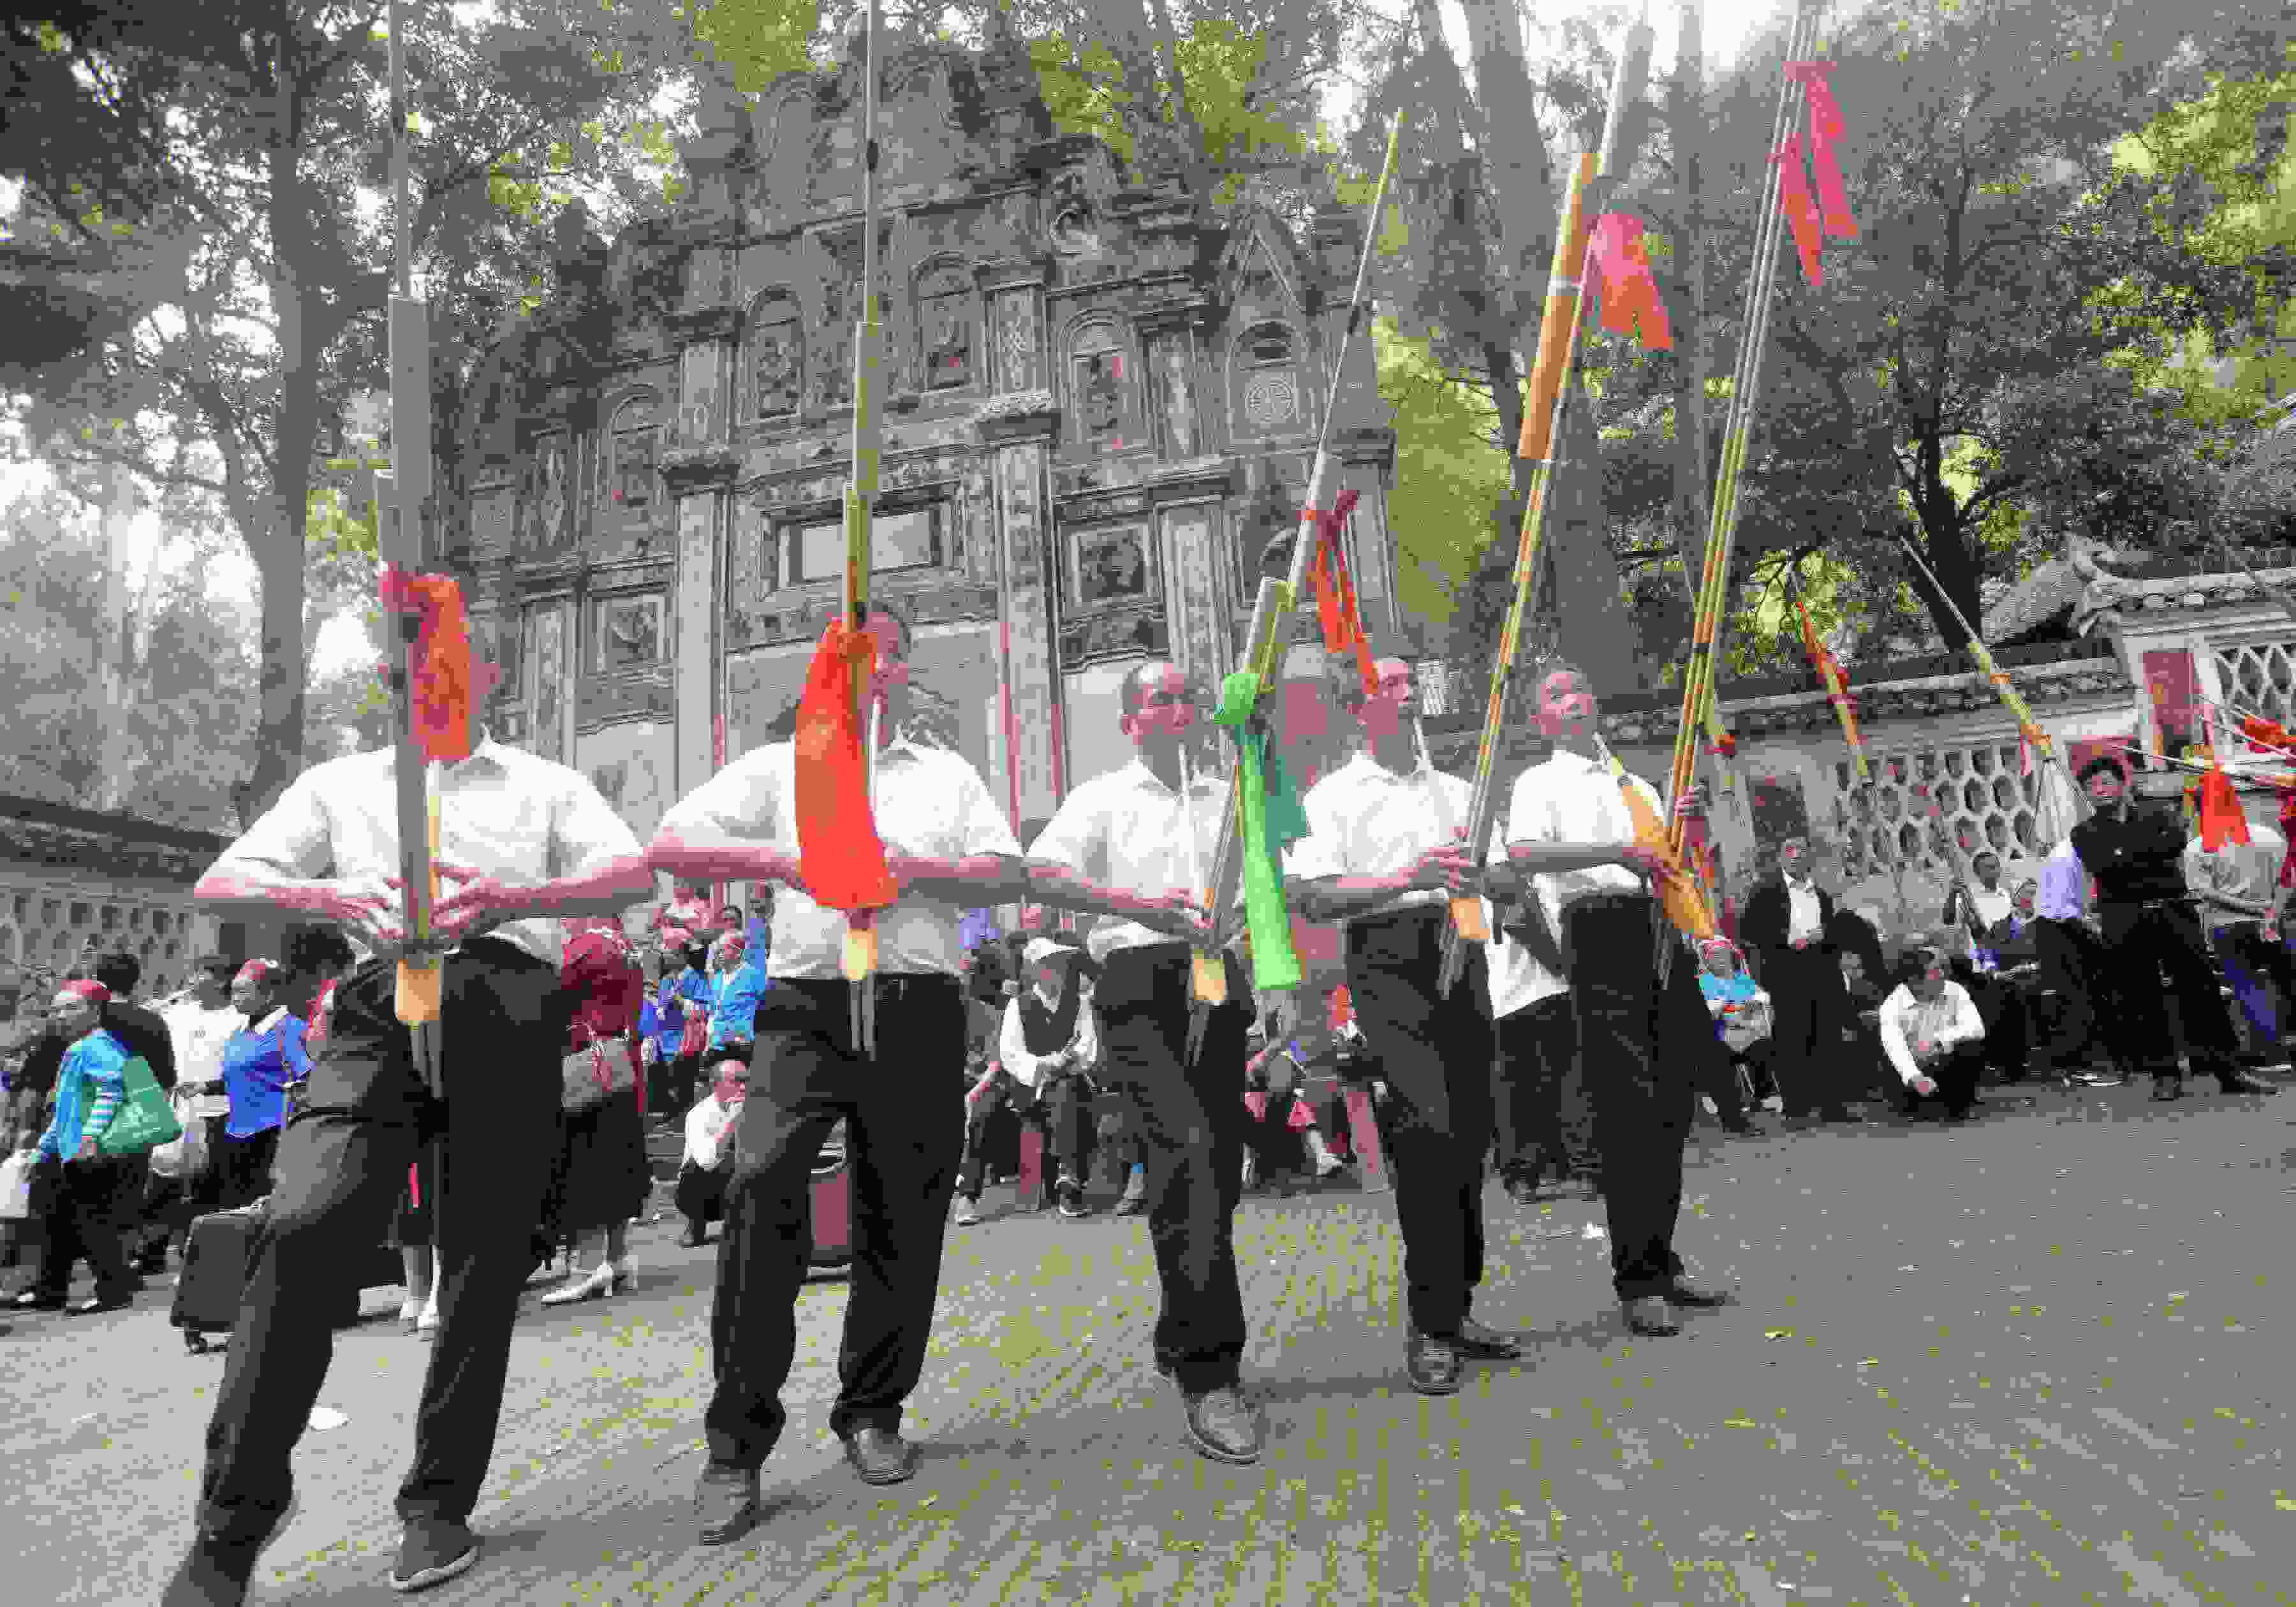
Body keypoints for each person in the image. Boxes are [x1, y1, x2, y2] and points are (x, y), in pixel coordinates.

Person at [161, 620, 653, 1606]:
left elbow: (632, 877)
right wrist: (343, 897)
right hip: (374, 1010)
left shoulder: (545, 785)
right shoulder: (341, 785)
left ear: (491, 671)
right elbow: (226, 880)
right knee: (301, 1223)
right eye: (406, 663)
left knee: (483, 1264)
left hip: (508, 1004)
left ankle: (439, 1502)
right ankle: (235, 1515)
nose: (424, 676)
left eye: (449, 657)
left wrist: (510, 898)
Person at [649, 601, 1025, 1544]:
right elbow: (671, 844)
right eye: (848, 651)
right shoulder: (780, 767)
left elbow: (1004, 873)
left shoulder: (944, 775)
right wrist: (785, 859)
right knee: (760, 1182)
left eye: (884, 653)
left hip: (918, 1005)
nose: (867, 667)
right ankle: (736, 1444)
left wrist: (916, 867)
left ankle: (873, 1408)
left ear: (900, 669)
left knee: (905, 1214)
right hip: (805, 1008)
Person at [1026, 657, 1269, 1453]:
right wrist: (1138, 905)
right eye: (1161, 699)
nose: (1179, 707)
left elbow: (1265, 883)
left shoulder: (1227, 796)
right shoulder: (1102, 797)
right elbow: (1043, 875)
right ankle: (1211, 1373)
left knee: (1209, 1170)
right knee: (1187, 1151)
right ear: (1131, 721)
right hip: (1137, 982)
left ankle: (1179, 1322)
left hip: (1216, 977)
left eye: (1186, 696)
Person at [1283, 655, 1526, 1396]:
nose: (1407, 691)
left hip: (1462, 950)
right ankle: (1430, 1323)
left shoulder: (1458, 791)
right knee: (1428, 1130)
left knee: (1471, 1131)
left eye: (1410, 681)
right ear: (1358, 707)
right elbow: (1314, 895)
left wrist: (1479, 874)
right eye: (1389, 684)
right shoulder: (1331, 797)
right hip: (1388, 959)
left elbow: (1509, 878)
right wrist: (1407, 878)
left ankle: (1458, 1303)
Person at [1483, 661, 1733, 1340]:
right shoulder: (1540, 781)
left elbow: (1670, 867)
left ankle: (1663, 1257)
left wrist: (1686, 834)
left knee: (1673, 1102)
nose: (1572, 700)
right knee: (1627, 1108)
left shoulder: (1637, 785)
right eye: (1556, 695)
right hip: (1598, 931)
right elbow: (1525, 852)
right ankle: (1637, 1280)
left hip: (1658, 932)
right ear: (1540, 719)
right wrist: (1616, 851)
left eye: (1578, 688)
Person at [2067, 755, 2276, 1101]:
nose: (2099, 790)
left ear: (2123, 784)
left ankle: (2229, 1070)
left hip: (2174, 912)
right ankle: (2164, 1073)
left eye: (2105, 782)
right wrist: (2143, 853)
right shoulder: (2084, 833)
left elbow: (2172, 845)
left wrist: (2126, 854)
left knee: (2201, 990)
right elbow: (2106, 864)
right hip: (2125, 919)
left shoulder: (2159, 814)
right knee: (2143, 996)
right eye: (2091, 786)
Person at [539, 920, 651, 1307]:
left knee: (585, 1162)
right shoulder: (621, 944)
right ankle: (617, 1259)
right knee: (617, 1161)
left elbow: (551, 996)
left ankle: (586, 1268)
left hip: (585, 1060)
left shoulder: (584, 947)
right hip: (617, 1057)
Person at [13, 979, 139, 1316]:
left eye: (71, 1008)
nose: (61, 1015)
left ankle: (112, 1292)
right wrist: (44, 1149)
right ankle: (50, 1290)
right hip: (72, 1149)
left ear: (95, 1012)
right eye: (57, 1009)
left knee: (94, 1221)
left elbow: (110, 1094)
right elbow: (66, 1110)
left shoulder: (95, 1047)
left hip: (91, 1152)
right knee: (58, 1219)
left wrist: (90, 1136)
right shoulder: (81, 1046)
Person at [954, 936, 1100, 1224]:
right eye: (1050, 964)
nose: (1057, 969)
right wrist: (1043, 1065)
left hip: (1066, 1081)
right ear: (1035, 970)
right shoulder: (1018, 1005)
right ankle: (968, 1194)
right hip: (1024, 1086)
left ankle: (1070, 1184)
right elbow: (1011, 1053)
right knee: (984, 1108)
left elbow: (1086, 1045)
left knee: (1070, 1092)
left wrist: (1068, 1061)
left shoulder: (1080, 1003)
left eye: (1061, 963)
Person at [1739, 836, 1854, 1121]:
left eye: (1801, 851)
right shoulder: (1765, 890)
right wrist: (1790, 940)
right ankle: (1797, 1106)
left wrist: (1826, 937)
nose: (1795, 856)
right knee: (1792, 1038)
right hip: (1786, 971)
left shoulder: (1821, 894)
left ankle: (1832, 1106)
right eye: (1789, 851)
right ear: (1781, 857)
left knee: (1827, 1037)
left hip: (1821, 970)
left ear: (1809, 857)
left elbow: (1831, 934)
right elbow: (1749, 931)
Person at [149, 955, 244, 1272]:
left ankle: (197, 1249)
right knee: (163, 1180)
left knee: (206, 1183)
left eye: (200, 974)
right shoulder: (177, 1013)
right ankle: (152, 1250)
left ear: (221, 981)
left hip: (218, 1110)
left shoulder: (238, 1018)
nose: (191, 980)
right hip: (175, 1106)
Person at [2184, 820, 2296, 1058]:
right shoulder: (2269, 836)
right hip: (2273, 922)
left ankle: (2269, 1054)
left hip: (2228, 926)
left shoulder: (2199, 846)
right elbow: (2289, 880)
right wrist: (2272, 910)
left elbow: (2205, 892)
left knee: (2249, 988)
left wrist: (2254, 908)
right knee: (2287, 982)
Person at [209, 960, 311, 1213]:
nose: (235, 998)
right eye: (233, 991)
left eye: (243, 991)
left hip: (273, 1135)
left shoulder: (290, 1030)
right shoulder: (239, 1032)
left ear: (269, 994)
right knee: (234, 1210)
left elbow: (308, 1079)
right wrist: (204, 1087)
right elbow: (240, 1077)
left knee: (264, 1210)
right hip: (236, 1131)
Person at [2031, 836, 2118, 1085]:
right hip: (2057, 931)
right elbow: (2064, 911)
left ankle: (2088, 1060)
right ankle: (2075, 1066)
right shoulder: (2063, 859)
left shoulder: (2076, 855)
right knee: (2074, 998)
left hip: (2066, 928)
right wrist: (2096, 932)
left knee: (2088, 994)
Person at [1876, 946, 1987, 1120]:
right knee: (1911, 1104)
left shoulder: (1955, 990)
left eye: (1941, 969)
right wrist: (1916, 1078)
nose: (1942, 974)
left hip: (1943, 1059)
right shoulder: (1892, 1006)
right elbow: (1895, 1049)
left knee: (1971, 1047)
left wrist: (1939, 1040)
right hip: (1911, 1068)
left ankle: (1958, 1100)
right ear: (1914, 980)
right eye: (1935, 971)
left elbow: (1977, 1028)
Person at [675, 1064, 747, 1247]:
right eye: (736, 1081)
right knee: (695, 1167)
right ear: (716, 1084)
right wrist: (731, 1122)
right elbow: (705, 1162)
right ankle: (696, 1222)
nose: (743, 1087)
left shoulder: (758, 1110)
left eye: (747, 1081)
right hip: (706, 1190)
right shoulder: (698, 1114)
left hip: (742, 1184)